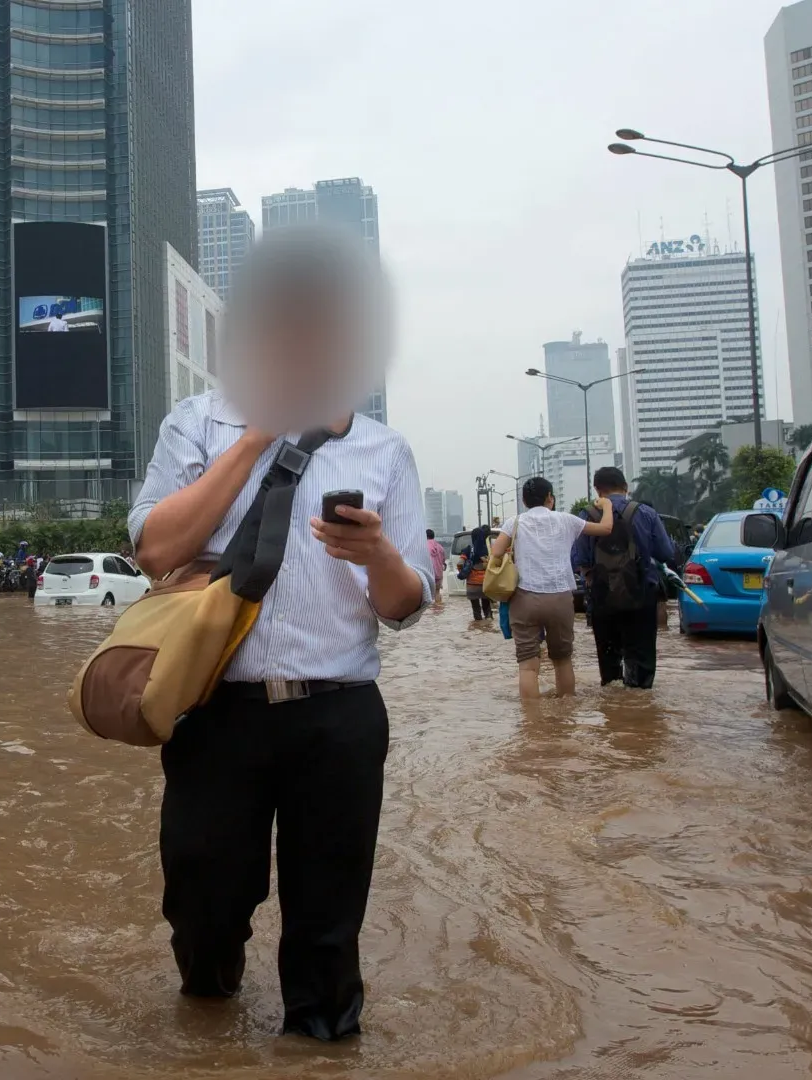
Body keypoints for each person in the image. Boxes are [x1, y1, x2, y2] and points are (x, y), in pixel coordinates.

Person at [128, 223, 432, 1042]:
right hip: (216, 710)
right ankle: (209, 1009)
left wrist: (377, 555)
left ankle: (321, 1045)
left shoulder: (383, 450)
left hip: (338, 713)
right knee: (203, 902)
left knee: (328, 926)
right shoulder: (195, 424)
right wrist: (262, 432)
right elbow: (155, 548)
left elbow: (407, 605)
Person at [493, 478, 614, 698]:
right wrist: (606, 505)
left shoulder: (515, 523)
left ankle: (532, 724)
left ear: (524, 500)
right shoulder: (567, 520)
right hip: (560, 597)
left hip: (525, 597)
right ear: (550, 497)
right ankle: (565, 719)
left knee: (528, 666)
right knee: (562, 660)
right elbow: (606, 528)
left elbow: (497, 552)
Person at [573, 467, 681, 690]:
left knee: (609, 662)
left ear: (597, 490)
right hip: (641, 596)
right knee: (641, 657)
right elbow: (666, 554)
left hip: (602, 598)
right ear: (626, 487)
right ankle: (638, 706)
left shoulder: (587, 516)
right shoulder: (646, 513)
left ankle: (614, 712)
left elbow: (578, 559)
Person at [425, 528, 448, 612]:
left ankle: (430, 614)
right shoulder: (440, 547)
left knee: (427, 594)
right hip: (438, 573)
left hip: (427, 573)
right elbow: (443, 561)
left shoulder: (423, 546)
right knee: (437, 592)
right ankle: (438, 608)